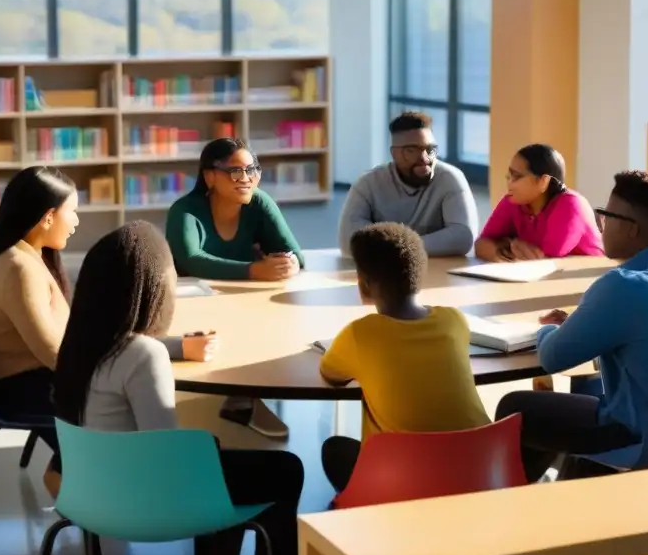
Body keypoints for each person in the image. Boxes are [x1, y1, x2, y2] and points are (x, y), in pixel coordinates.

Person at [53, 221, 303, 555]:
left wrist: (178, 348)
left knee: (214, 458)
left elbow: (134, 354)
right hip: (145, 503)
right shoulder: (142, 355)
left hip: (90, 494)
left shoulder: (80, 346)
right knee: (280, 468)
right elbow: (167, 454)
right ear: (153, 289)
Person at [494, 170, 648, 482]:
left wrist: (547, 330)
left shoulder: (623, 285)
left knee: (515, 407)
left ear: (631, 228)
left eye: (605, 214)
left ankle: (511, 500)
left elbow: (552, 357)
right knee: (586, 389)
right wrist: (582, 325)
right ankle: (569, 489)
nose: (600, 224)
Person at [318, 223, 490, 493]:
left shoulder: (361, 334)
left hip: (403, 481)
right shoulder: (454, 320)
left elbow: (331, 374)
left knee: (335, 450)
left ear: (363, 283)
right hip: (481, 472)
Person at [166, 137, 303, 439]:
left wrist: (288, 263)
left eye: (252, 170)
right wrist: (254, 269)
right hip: (194, 310)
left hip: (244, 303)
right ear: (209, 176)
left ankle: (245, 400)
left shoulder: (259, 202)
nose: (246, 179)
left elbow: (295, 253)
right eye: (235, 171)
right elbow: (192, 260)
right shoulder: (184, 211)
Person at [0, 166, 80, 498]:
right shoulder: (19, 268)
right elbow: (50, 351)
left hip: (38, 380)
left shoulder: (31, 257)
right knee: (115, 403)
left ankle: (69, 471)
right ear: (48, 217)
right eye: (72, 212)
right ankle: (64, 474)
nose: (76, 222)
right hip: (25, 389)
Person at [338, 112, 478, 257]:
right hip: (384, 275)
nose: (425, 158)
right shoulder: (368, 184)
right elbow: (348, 240)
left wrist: (400, 247)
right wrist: (409, 247)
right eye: (412, 150)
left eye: (430, 150)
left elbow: (463, 236)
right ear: (394, 153)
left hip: (440, 273)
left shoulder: (450, 179)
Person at [475, 144, 603, 262]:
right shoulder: (513, 201)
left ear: (543, 181)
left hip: (588, 280)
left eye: (517, 176)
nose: (509, 182)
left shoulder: (570, 205)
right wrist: (506, 249)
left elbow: (545, 260)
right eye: (509, 175)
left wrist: (508, 245)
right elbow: (481, 244)